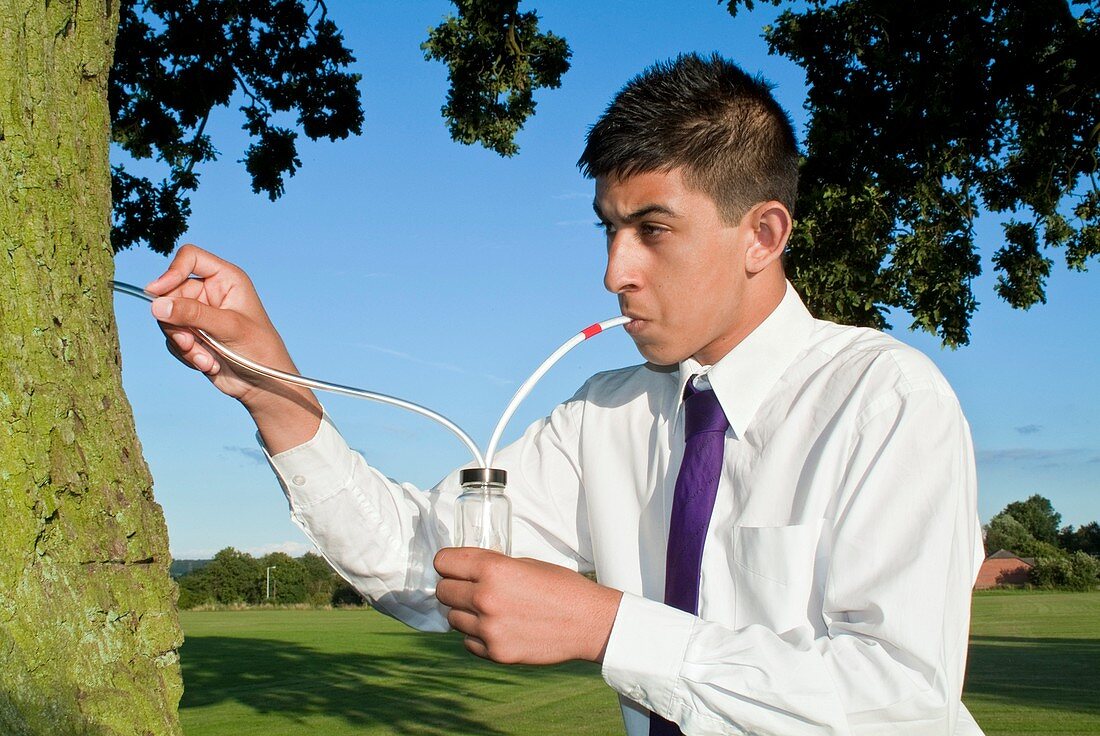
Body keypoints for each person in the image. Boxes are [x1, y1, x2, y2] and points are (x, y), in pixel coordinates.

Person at [148, 54, 985, 735]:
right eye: (609, 230)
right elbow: (420, 564)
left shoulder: (885, 400)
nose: (615, 272)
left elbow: (901, 702)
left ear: (762, 235)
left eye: (653, 230)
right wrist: (273, 390)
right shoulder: (603, 415)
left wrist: (611, 627)